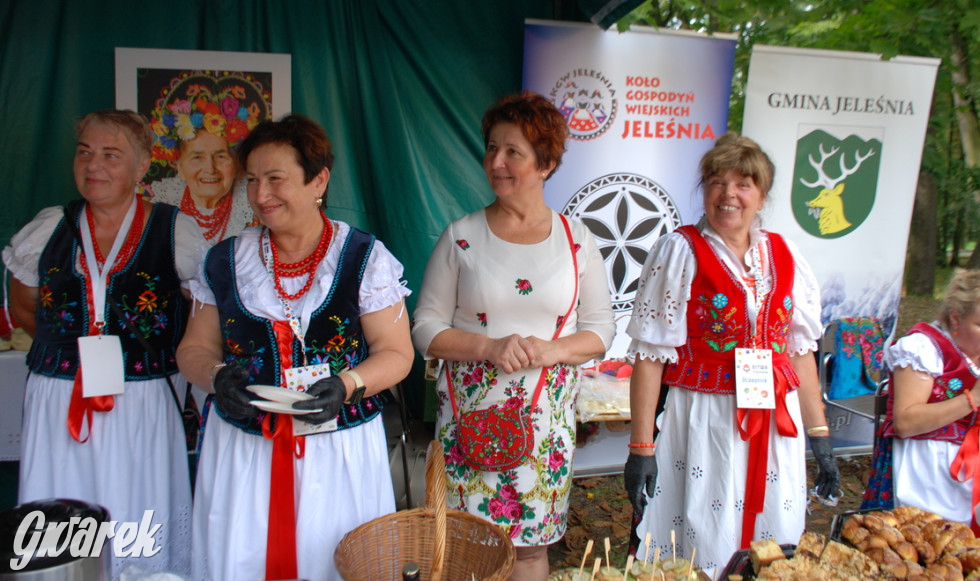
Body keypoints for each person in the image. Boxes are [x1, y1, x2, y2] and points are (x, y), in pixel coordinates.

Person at [177, 114, 415, 581]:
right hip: (245, 452)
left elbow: (397, 353)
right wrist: (216, 376)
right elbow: (194, 348)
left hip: (338, 451)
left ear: (318, 180)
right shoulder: (225, 261)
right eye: (252, 181)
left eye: (275, 179)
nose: (261, 195)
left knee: (334, 561)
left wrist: (347, 385)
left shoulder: (363, 258)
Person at [412, 91, 615, 581]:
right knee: (466, 545)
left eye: (512, 152)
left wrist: (553, 350)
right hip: (470, 421)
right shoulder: (460, 235)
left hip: (544, 426)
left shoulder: (577, 239)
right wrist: (489, 347)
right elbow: (424, 328)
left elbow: (601, 330)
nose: (496, 162)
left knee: (529, 548)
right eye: (491, 149)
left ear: (545, 164)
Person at [2, 109, 208, 577]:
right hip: (60, 398)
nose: (93, 165)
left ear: (141, 168)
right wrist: (73, 353)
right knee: (60, 513)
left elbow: (201, 319)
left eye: (110, 155)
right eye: (85, 152)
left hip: (143, 400)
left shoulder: (175, 231)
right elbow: (25, 309)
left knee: (138, 509)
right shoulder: (50, 226)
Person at [622, 132, 837, 578]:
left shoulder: (785, 254)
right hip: (706, 419)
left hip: (777, 423)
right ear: (704, 191)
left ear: (761, 195)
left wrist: (820, 436)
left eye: (743, 184)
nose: (728, 194)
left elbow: (799, 353)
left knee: (775, 537)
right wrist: (642, 448)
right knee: (705, 533)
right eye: (716, 182)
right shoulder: (679, 250)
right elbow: (650, 357)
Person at [863, 269, 980, 531]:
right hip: (929, 475)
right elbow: (905, 422)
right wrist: (972, 398)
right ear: (956, 319)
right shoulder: (924, 349)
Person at [147, 73, 259, 241]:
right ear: (180, 168)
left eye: (221, 156)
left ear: (236, 165)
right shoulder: (160, 208)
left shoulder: (253, 210)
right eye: (197, 157)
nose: (210, 169)